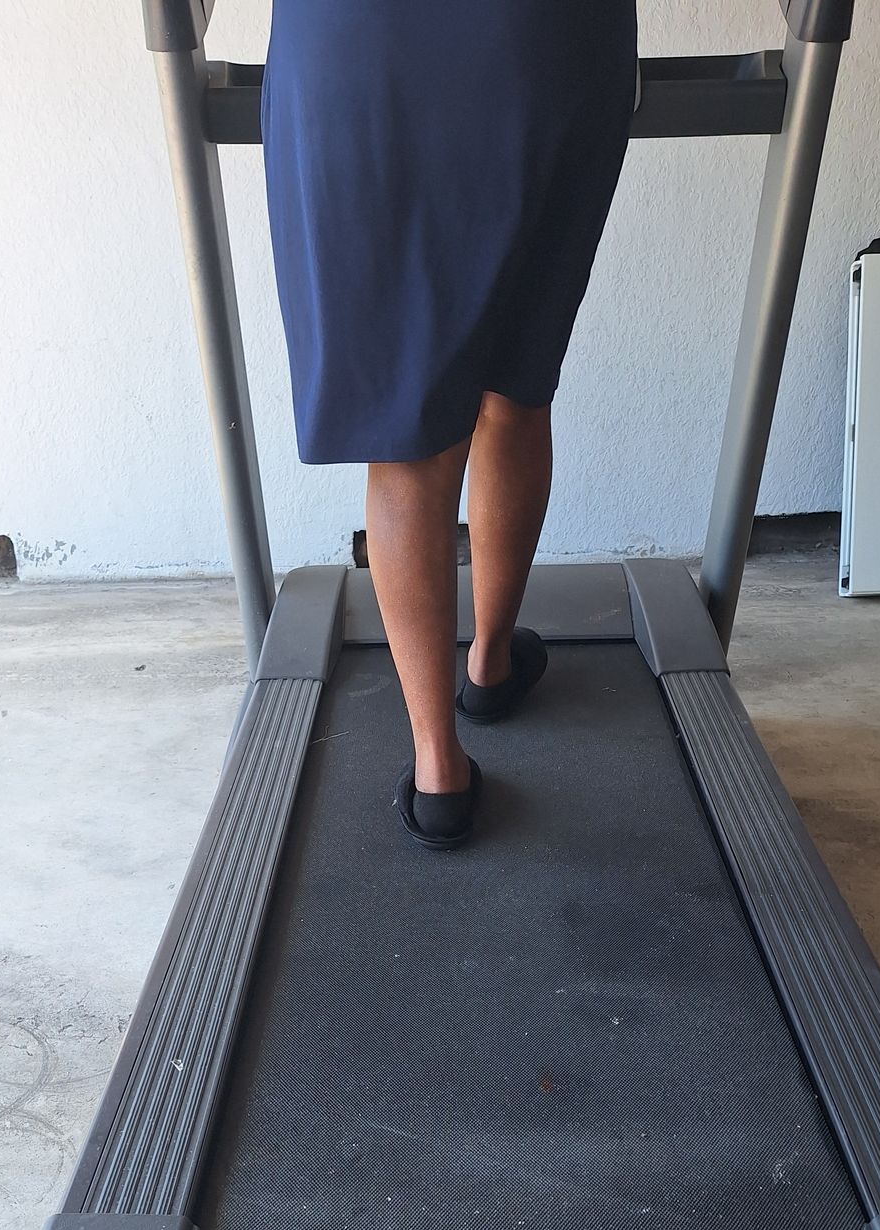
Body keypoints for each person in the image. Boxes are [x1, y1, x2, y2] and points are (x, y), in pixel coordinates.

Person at [261, 0, 638, 848]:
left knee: (406, 435)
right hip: (543, 44)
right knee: (517, 383)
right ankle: (491, 663)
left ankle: (438, 771)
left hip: (361, 49)